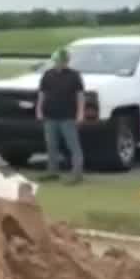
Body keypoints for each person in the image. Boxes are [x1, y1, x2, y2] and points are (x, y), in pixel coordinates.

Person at [37, 48, 85, 184]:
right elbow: (42, 93)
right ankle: (52, 172)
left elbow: (80, 96)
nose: (59, 63)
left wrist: (80, 113)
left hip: (68, 116)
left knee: (73, 146)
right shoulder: (47, 74)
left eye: (61, 61)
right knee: (51, 145)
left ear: (66, 61)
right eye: (57, 61)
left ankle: (77, 174)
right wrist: (39, 110)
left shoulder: (74, 76)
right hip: (50, 116)